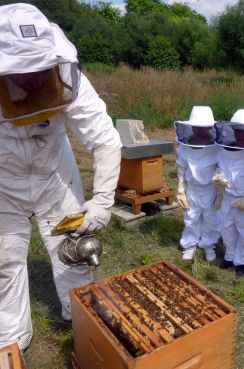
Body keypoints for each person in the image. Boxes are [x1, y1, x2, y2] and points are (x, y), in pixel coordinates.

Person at [0, 3, 122, 351]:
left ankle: (81, 317)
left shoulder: (68, 78)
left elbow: (105, 139)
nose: (38, 77)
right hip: (3, 179)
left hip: (55, 174)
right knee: (4, 261)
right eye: (26, 70)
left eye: (43, 67)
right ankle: (12, 340)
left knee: (75, 250)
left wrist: (101, 201)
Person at [212, 109, 244, 277]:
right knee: (226, 229)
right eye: (237, 129)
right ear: (231, 129)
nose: (240, 134)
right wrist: (217, 178)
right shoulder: (223, 150)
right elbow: (220, 167)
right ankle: (230, 255)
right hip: (227, 198)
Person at [174, 106, 220, 261]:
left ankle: (209, 245)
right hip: (192, 189)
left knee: (211, 219)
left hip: (210, 190)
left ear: (210, 127)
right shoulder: (185, 146)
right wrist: (181, 190)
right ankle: (189, 245)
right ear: (190, 126)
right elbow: (182, 168)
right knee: (191, 218)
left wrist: (218, 185)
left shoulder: (216, 147)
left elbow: (220, 167)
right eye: (196, 127)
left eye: (203, 127)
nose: (199, 130)